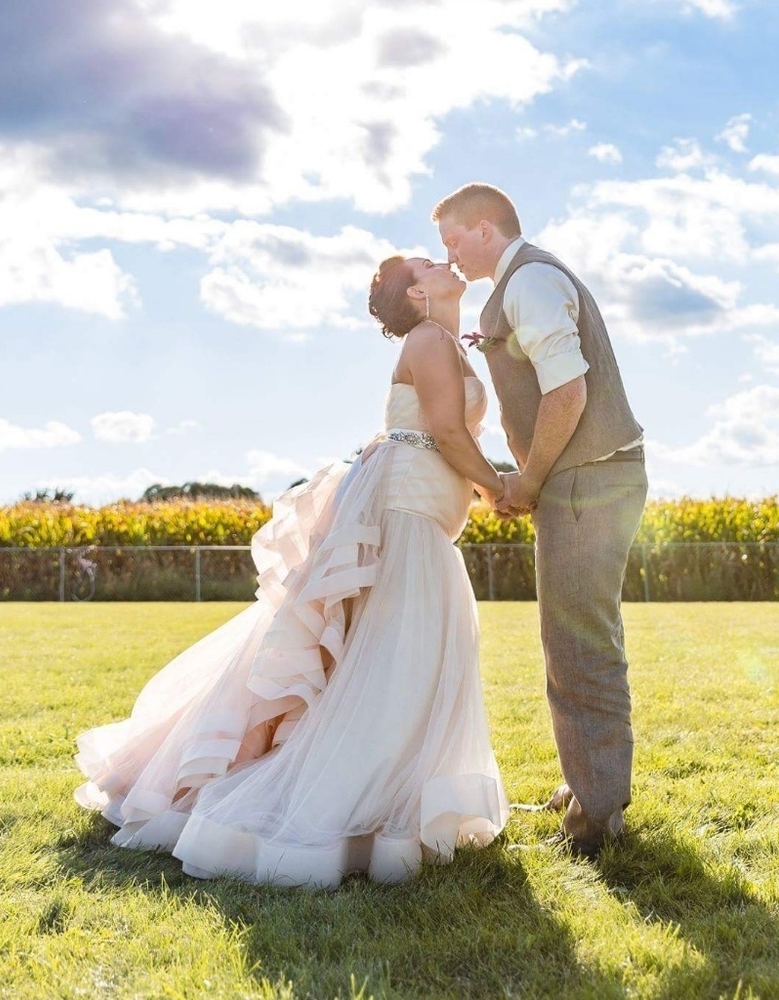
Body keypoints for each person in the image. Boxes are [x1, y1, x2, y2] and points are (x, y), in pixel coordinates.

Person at [74, 255, 509, 889]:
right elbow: (443, 427)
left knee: (406, 656)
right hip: (410, 513)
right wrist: (498, 487)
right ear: (417, 292)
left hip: (426, 513)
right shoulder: (428, 339)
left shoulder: (447, 341)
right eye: (426, 261)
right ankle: (352, 804)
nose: (444, 260)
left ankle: (396, 795)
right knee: (401, 658)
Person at [433, 182, 647, 858]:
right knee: (576, 638)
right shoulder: (517, 284)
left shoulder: (530, 282)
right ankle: (589, 784)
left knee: (579, 642)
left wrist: (527, 478)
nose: (449, 255)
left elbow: (569, 389)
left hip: (587, 477)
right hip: (583, 477)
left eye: (453, 240)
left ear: (487, 225)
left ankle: (596, 818)